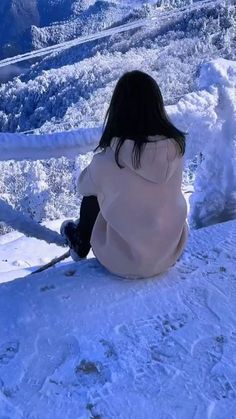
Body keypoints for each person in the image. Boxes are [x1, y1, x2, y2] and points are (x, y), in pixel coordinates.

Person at [61, 70, 189, 278]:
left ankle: (80, 242)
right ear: (157, 107)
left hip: (125, 262)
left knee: (93, 196)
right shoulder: (176, 149)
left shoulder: (109, 160)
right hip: (171, 251)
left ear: (117, 111)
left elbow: (82, 187)